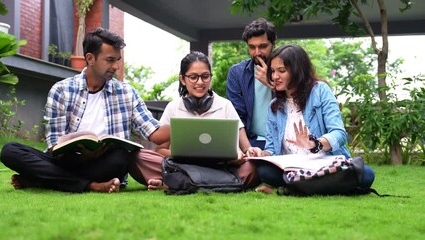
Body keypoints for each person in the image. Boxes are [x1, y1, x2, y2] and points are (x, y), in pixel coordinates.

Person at [0, 27, 170, 193]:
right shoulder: (61, 90)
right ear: (90, 58)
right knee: (10, 151)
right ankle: (91, 185)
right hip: (67, 161)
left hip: (105, 165)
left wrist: (188, 126)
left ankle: (42, 179)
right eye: (110, 60)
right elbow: (53, 146)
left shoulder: (127, 92)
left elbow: (154, 133)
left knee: (122, 157)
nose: (116, 66)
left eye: (118, 60)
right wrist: (81, 153)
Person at [255, 44, 375, 194]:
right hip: (293, 167)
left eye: (282, 71)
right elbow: (271, 148)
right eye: (272, 71)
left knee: (367, 175)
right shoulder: (274, 106)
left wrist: (314, 143)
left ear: (297, 71)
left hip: (324, 162)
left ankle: (291, 189)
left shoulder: (320, 91)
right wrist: (261, 154)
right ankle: (317, 188)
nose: (274, 77)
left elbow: (339, 134)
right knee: (264, 171)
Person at [155, 51, 262, 189]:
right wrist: (186, 157)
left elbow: (247, 149)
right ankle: (218, 184)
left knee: (251, 168)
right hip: (185, 167)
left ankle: (181, 184)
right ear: (182, 79)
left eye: (205, 77)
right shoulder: (173, 107)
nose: (200, 82)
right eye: (193, 77)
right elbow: (160, 150)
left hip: (222, 167)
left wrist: (244, 154)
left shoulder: (225, 105)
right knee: (146, 159)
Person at [226, 18, 276, 149]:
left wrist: (271, 83)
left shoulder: (287, 71)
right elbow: (236, 117)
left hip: (283, 139)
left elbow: (296, 106)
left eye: (263, 46)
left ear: (273, 44)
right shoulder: (237, 73)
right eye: (252, 47)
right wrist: (248, 149)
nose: (257, 52)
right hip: (251, 141)